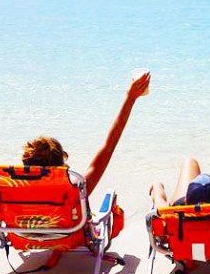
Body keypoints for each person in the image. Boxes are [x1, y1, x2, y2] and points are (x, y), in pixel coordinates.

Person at [20, 72, 150, 195]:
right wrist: (130, 98)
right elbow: (108, 147)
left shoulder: (14, 196)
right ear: (62, 163)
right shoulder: (75, 190)